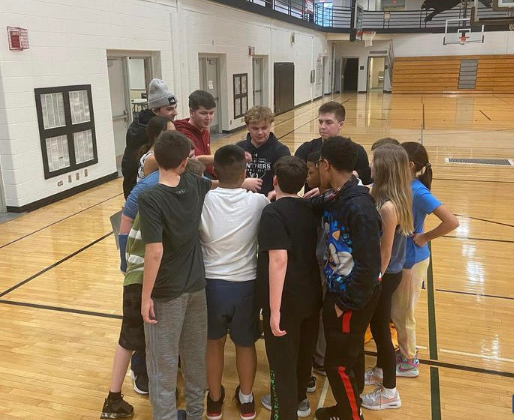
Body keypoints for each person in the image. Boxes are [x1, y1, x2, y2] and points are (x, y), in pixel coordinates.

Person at [100, 157, 205, 420]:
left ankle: (121, 394)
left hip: (140, 275)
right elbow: (154, 252)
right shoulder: (160, 199)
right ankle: (128, 390)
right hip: (141, 281)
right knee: (139, 339)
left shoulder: (155, 188)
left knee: (139, 339)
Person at [139, 131, 214, 420]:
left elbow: (154, 252)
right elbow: (219, 181)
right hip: (197, 286)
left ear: (157, 158)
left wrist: (146, 297)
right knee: (195, 357)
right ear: (185, 162)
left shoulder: (150, 197)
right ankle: (196, 414)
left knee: (163, 363)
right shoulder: (195, 184)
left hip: (166, 292)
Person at [312, 137, 382, 420]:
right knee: (350, 357)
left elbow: (369, 265)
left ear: (326, 165)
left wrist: (346, 303)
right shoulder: (341, 194)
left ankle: (352, 416)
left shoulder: (358, 206)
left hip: (350, 296)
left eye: (318, 165)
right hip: (343, 292)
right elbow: (320, 203)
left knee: (337, 365)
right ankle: (346, 407)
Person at [199, 145, 269, 420]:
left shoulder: (202, 199)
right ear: (244, 173)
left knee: (213, 343)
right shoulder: (258, 202)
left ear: (214, 171)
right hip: (245, 286)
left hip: (210, 285)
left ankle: (215, 401)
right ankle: (247, 401)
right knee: (245, 344)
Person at [257, 156, 322, 420]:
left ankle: (284, 413)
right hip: (311, 294)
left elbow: (278, 259)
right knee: (303, 354)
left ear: (274, 181)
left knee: (281, 364)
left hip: (286, 299)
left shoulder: (272, 212)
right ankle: (300, 400)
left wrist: (273, 311)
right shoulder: (310, 208)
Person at [391, 142, 459, 378]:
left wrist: (425, 237)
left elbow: (451, 221)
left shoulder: (418, 191)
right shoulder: (403, 185)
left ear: (409, 165)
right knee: (398, 311)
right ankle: (404, 351)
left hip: (413, 259)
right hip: (403, 258)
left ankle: (409, 362)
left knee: (403, 313)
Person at [361, 144, 413, 411]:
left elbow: (385, 250)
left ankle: (390, 392)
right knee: (379, 326)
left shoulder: (389, 207)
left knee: (381, 330)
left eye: (374, 162)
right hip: (389, 272)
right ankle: (381, 370)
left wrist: (374, 279)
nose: (370, 165)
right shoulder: (395, 196)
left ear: (383, 169)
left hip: (385, 273)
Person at [294, 101, 372, 190]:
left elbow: (366, 181)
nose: (322, 127)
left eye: (328, 122)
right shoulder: (306, 149)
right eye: (320, 122)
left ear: (340, 124)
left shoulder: (357, 151)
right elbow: (294, 180)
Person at [121, 78, 177, 199]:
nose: (175, 112)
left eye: (175, 107)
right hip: (140, 193)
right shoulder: (144, 132)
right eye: (169, 109)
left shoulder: (140, 125)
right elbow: (130, 166)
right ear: (155, 110)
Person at [237, 106, 290, 197]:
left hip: (269, 203)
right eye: (255, 128)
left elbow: (287, 180)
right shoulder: (238, 149)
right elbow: (227, 181)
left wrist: (276, 192)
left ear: (271, 125)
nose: (260, 132)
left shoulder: (281, 151)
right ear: (248, 127)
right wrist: (241, 184)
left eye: (264, 128)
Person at [306, 151, 328, 377]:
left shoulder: (329, 202)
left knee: (320, 315)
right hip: (318, 266)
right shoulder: (317, 197)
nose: (307, 177)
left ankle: (320, 358)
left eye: (311, 172)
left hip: (323, 268)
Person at [174, 90, 217, 177]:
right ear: (191, 112)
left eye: (211, 113)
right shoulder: (183, 133)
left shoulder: (204, 130)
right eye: (203, 113)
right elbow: (197, 159)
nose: (208, 118)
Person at [137, 116, 174, 182]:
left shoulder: (164, 154)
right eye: (169, 134)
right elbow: (183, 163)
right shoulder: (153, 159)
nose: (174, 137)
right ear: (156, 136)